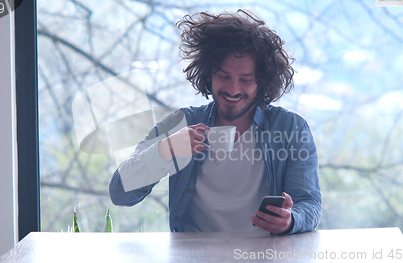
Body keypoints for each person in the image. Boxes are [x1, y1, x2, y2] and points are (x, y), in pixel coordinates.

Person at [109, 9, 321, 235]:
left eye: (246, 80)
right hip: (192, 257)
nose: (232, 89)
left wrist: (290, 221)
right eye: (223, 76)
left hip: (264, 257)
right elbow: (121, 194)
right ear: (209, 75)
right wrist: (165, 149)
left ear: (262, 82)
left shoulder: (290, 128)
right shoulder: (182, 123)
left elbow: (309, 203)